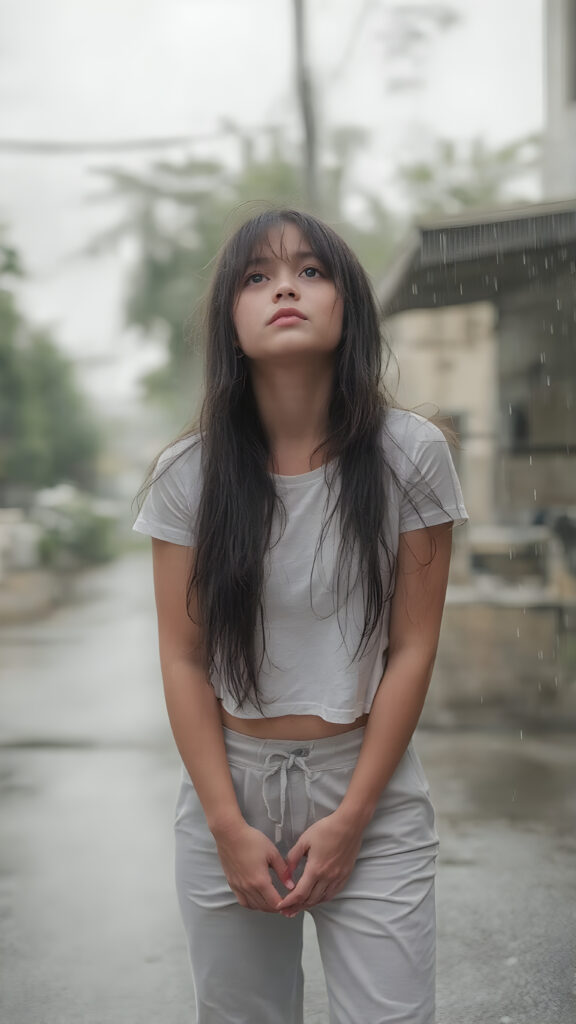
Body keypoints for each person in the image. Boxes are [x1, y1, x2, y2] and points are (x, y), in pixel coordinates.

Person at [133, 208, 468, 1024]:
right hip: (231, 791)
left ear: (348, 303)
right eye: (258, 276)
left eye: (311, 271)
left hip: (369, 785)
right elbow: (183, 657)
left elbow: (412, 646)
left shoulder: (410, 454)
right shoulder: (190, 473)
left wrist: (352, 815)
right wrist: (225, 821)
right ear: (231, 323)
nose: (285, 285)